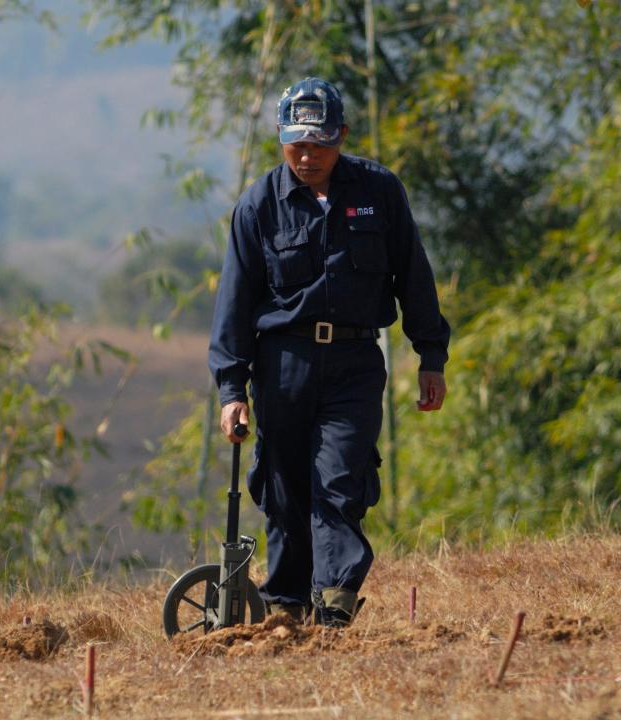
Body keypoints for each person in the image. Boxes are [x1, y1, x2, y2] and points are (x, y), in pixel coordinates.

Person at [208, 77, 450, 627]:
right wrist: (231, 390)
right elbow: (234, 302)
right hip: (282, 366)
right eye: (296, 144)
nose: (307, 155)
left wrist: (430, 355)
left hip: (355, 364)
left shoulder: (379, 191)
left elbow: (414, 273)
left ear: (341, 136)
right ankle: (286, 605)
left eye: (319, 143)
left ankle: (334, 602)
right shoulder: (257, 206)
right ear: (280, 138)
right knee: (285, 487)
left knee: (340, 481)